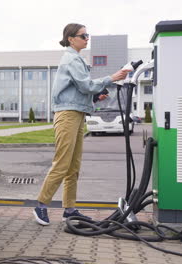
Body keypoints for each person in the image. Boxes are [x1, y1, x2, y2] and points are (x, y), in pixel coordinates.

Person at [33, 23, 130, 226]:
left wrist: (95, 98)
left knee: (73, 166)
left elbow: (78, 91)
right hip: (67, 115)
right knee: (62, 163)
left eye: (88, 35)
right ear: (71, 38)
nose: (87, 38)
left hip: (76, 113)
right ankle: (40, 205)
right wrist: (112, 78)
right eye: (83, 35)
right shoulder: (71, 58)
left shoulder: (77, 58)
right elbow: (85, 85)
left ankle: (69, 210)